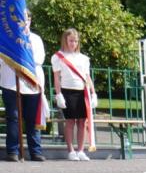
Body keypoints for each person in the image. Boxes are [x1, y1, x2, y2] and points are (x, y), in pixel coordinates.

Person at [1, 11, 45, 161]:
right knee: (13, 118)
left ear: (30, 20)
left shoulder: (36, 39)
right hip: (10, 83)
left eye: (26, 19)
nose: (23, 22)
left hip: (31, 84)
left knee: (32, 119)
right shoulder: (5, 39)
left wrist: (20, 57)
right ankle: (13, 151)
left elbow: (38, 59)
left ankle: (35, 151)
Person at [51, 28, 96, 160]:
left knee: (82, 122)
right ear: (65, 40)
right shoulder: (58, 57)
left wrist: (93, 93)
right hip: (67, 91)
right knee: (70, 122)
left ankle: (81, 150)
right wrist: (59, 94)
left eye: (76, 41)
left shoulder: (83, 58)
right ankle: (71, 150)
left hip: (82, 92)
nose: (73, 43)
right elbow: (56, 78)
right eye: (71, 40)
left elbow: (87, 77)